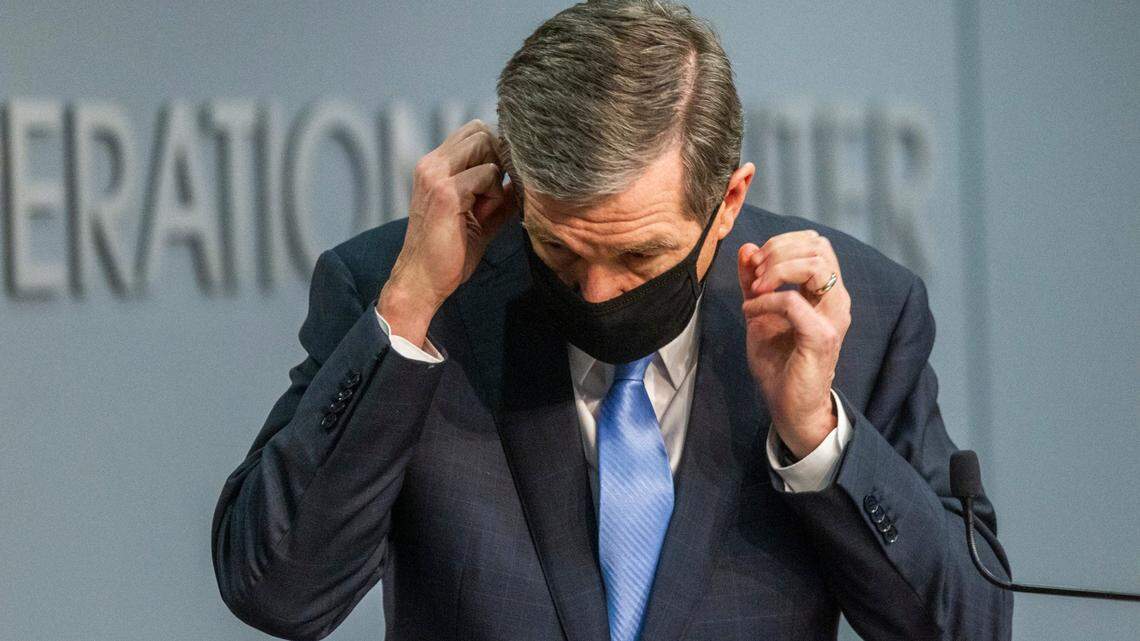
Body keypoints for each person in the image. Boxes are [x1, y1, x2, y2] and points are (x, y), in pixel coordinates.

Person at [210, 2, 1013, 640]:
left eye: (638, 259)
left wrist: (816, 433)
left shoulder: (851, 317)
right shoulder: (411, 295)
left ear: (726, 202)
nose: (596, 293)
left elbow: (971, 626)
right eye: (559, 250)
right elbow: (277, 589)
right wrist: (407, 311)